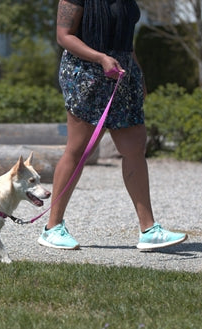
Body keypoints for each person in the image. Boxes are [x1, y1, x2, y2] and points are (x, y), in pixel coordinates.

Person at [37, 0, 188, 250]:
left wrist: (137, 73)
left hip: (121, 74)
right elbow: (64, 36)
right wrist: (100, 58)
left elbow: (125, 41)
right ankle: (52, 228)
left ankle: (149, 229)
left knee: (134, 147)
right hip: (85, 72)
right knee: (79, 149)